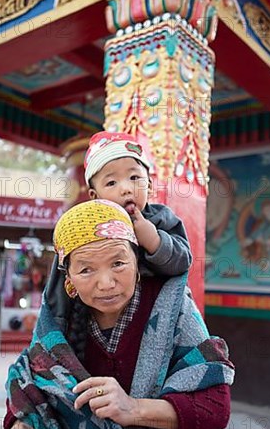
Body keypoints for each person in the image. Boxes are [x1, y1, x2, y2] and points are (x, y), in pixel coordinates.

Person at [2, 200, 234, 429]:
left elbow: (216, 407)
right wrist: (22, 426)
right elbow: (33, 381)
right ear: (69, 279)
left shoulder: (173, 308)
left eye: (118, 263)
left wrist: (134, 408)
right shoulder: (57, 327)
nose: (106, 282)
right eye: (86, 270)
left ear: (137, 264)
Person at [46, 130, 192, 333]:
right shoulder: (85, 227)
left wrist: (154, 240)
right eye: (111, 182)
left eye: (134, 177)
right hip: (96, 320)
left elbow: (183, 261)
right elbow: (59, 281)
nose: (125, 188)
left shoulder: (161, 218)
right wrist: (57, 323)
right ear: (94, 195)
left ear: (149, 185)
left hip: (155, 319)